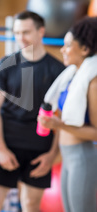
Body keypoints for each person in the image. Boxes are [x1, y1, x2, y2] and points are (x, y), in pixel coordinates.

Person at [0, 11, 65, 212]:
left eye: (26, 32)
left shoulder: (58, 70)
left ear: (41, 31)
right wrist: (0, 148)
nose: (20, 38)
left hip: (39, 149)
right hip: (6, 144)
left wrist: (52, 155)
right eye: (17, 32)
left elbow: (62, 119)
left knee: (30, 204)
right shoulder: (5, 65)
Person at [39, 17, 97, 212]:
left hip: (82, 157)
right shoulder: (72, 76)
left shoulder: (93, 82)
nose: (62, 50)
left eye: (68, 45)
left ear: (85, 50)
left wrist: (59, 125)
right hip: (67, 156)